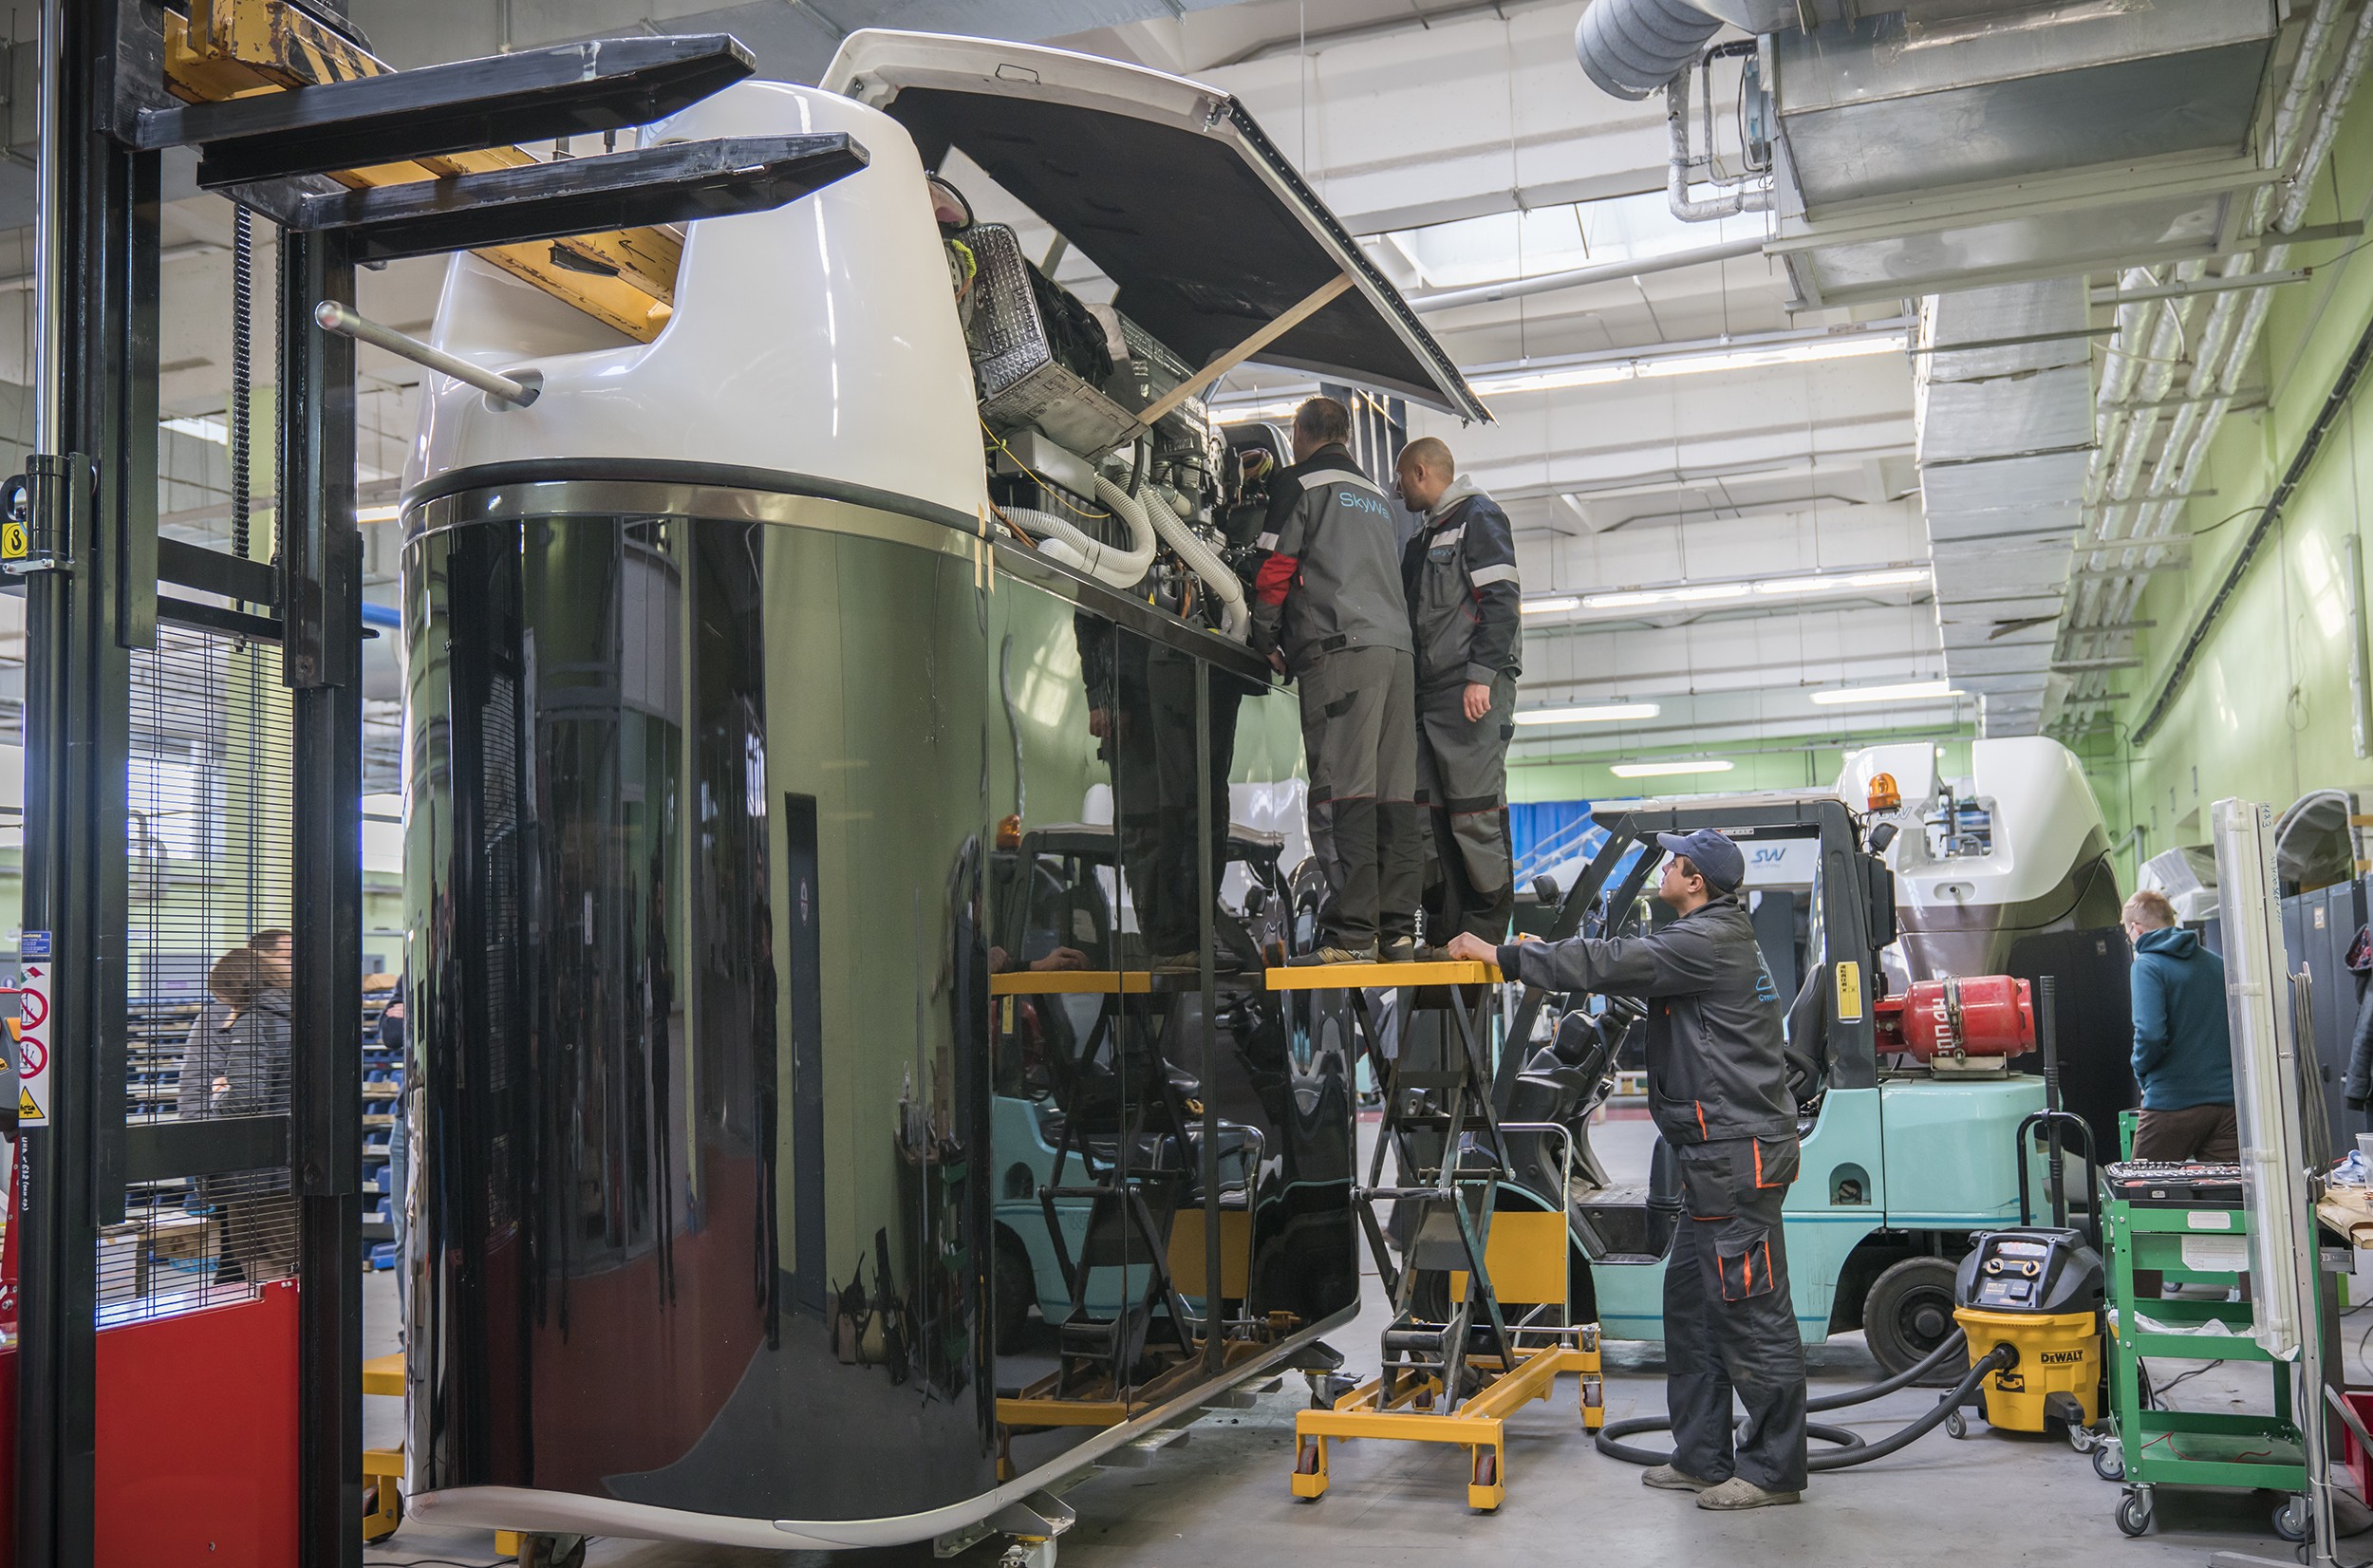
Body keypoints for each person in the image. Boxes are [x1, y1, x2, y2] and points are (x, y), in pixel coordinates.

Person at [1447, 829, 1805, 1509]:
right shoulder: (1713, 937)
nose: (1666, 869)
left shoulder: (1703, 941)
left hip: (1734, 1155)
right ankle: (1702, 1454)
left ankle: (1772, 1470)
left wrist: (1507, 957)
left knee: (1750, 1312)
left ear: (1694, 879)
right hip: (1716, 1156)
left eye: (1673, 862)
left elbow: (1611, 960)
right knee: (1695, 1309)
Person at [1252, 397, 1422, 964]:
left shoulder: (1299, 482)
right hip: (1398, 653)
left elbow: (1275, 567)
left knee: (1342, 788)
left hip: (1340, 649)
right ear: (1346, 436)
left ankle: (1351, 935)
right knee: (1393, 793)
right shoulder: (1378, 496)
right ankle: (1396, 930)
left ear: (1300, 434)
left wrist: (1264, 635)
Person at [1393, 437, 1522, 946]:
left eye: (1401, 479)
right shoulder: (1422, 540)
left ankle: (1485, 932)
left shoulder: (1480, 518)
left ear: (1421, 472)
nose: (1397, 490)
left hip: (1469, 694)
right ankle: (1448, 931)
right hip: (1430, 699)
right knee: (1432, 819)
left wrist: (1480, 675)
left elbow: (1502, 601)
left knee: (1475, 812)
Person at [2123, 889, 2237, 1161]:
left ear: (2136, 929)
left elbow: (2150, 1034)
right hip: (2228, 1106)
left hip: (2172, 1103)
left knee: (2145, 1195)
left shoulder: (2147, 965)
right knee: (2223, 1197)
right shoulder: (2217, 964)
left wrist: (2140, 1070)